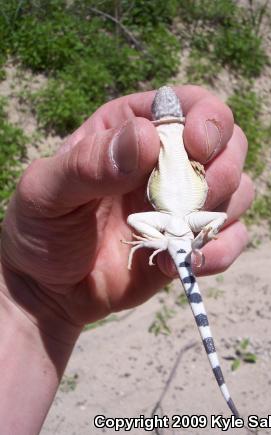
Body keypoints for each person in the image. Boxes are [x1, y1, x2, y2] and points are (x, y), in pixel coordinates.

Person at [0, 85, 254, 434]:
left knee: (139, 222)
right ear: (178, 114)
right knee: (215, 223)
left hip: (168, 224)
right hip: (189, 221)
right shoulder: (178, 133)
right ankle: (191, 241)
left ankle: (171, 243)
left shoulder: (157, 133)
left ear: (155, 115)